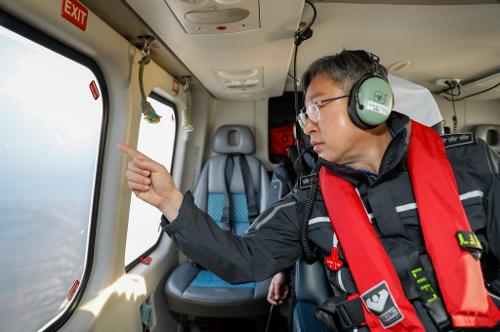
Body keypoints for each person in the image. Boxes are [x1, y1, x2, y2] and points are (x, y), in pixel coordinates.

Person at [118, 50, 500, 331]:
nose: (306, 126)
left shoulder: (471, 164)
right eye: (305, 114)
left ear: (369, 103)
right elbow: (245, 260)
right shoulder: (310, 200)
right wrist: (170, 202)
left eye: (317, 107)